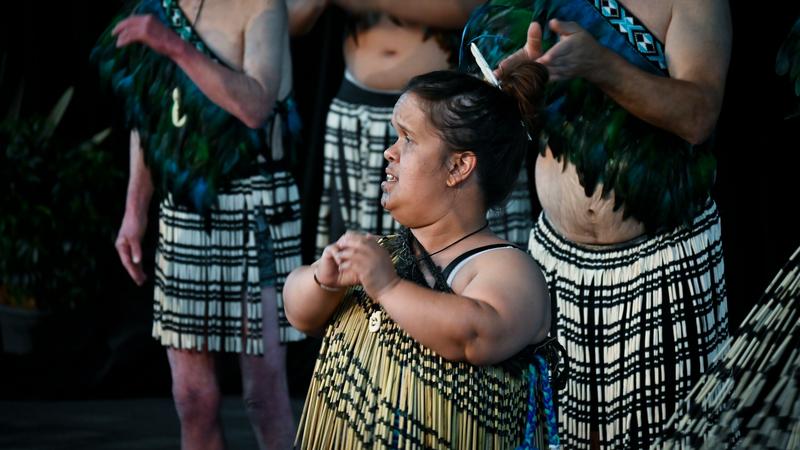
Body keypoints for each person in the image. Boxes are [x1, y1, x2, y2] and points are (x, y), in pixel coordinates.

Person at [464, 0, 732, 448]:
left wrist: (601, 64)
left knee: (667, 437)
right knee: (560, 434)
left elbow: (698, 114)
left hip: (663, 268)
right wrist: (518, 84)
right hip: (556, 265)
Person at [284, 62, 564, 449]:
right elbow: (299, 314)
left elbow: (475, 335)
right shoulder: (382, 254)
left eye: (408, 139)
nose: (390, 151)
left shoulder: (505, 267)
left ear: (458, 166)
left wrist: (387, 286)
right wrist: (322, 281)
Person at [92, 0, 302, 448]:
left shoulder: (263, 7)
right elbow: (148, 115)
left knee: (263, 396)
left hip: (257, 204)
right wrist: (135, 210)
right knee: (192, 397)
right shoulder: (162, 7)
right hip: (184, 207)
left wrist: (171, 45)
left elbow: (255, 106)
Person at [288, 0, 534, 254]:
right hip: (357, 111)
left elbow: (469, 7)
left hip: (444, 126)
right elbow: (293, 18)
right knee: (357, 256)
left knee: (461, 251)